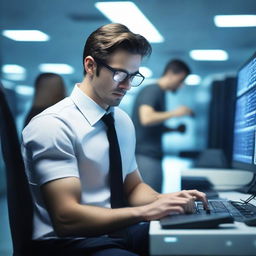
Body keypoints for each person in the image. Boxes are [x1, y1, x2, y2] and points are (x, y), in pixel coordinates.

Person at [22, 24, 208, 256]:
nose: (128, 86)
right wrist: (148, 210)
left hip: (117, 230)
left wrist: (168, 200)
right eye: (120, 74)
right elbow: (66, 218)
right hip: (69, 243)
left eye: (133, 76)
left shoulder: (120, 120)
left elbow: (133, 188)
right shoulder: (53, 125)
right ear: (90, 65)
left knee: (199, 243)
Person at [132, 60, 193, 192]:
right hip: (146, 157)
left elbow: (151, 126)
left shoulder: (159, 92)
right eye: (181, 80)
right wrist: (176, 113)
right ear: (170, 73)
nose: (181, 85)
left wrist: (174, 129)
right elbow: (146, 118)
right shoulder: (153, 90)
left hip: (149, 156)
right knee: (152, 204)